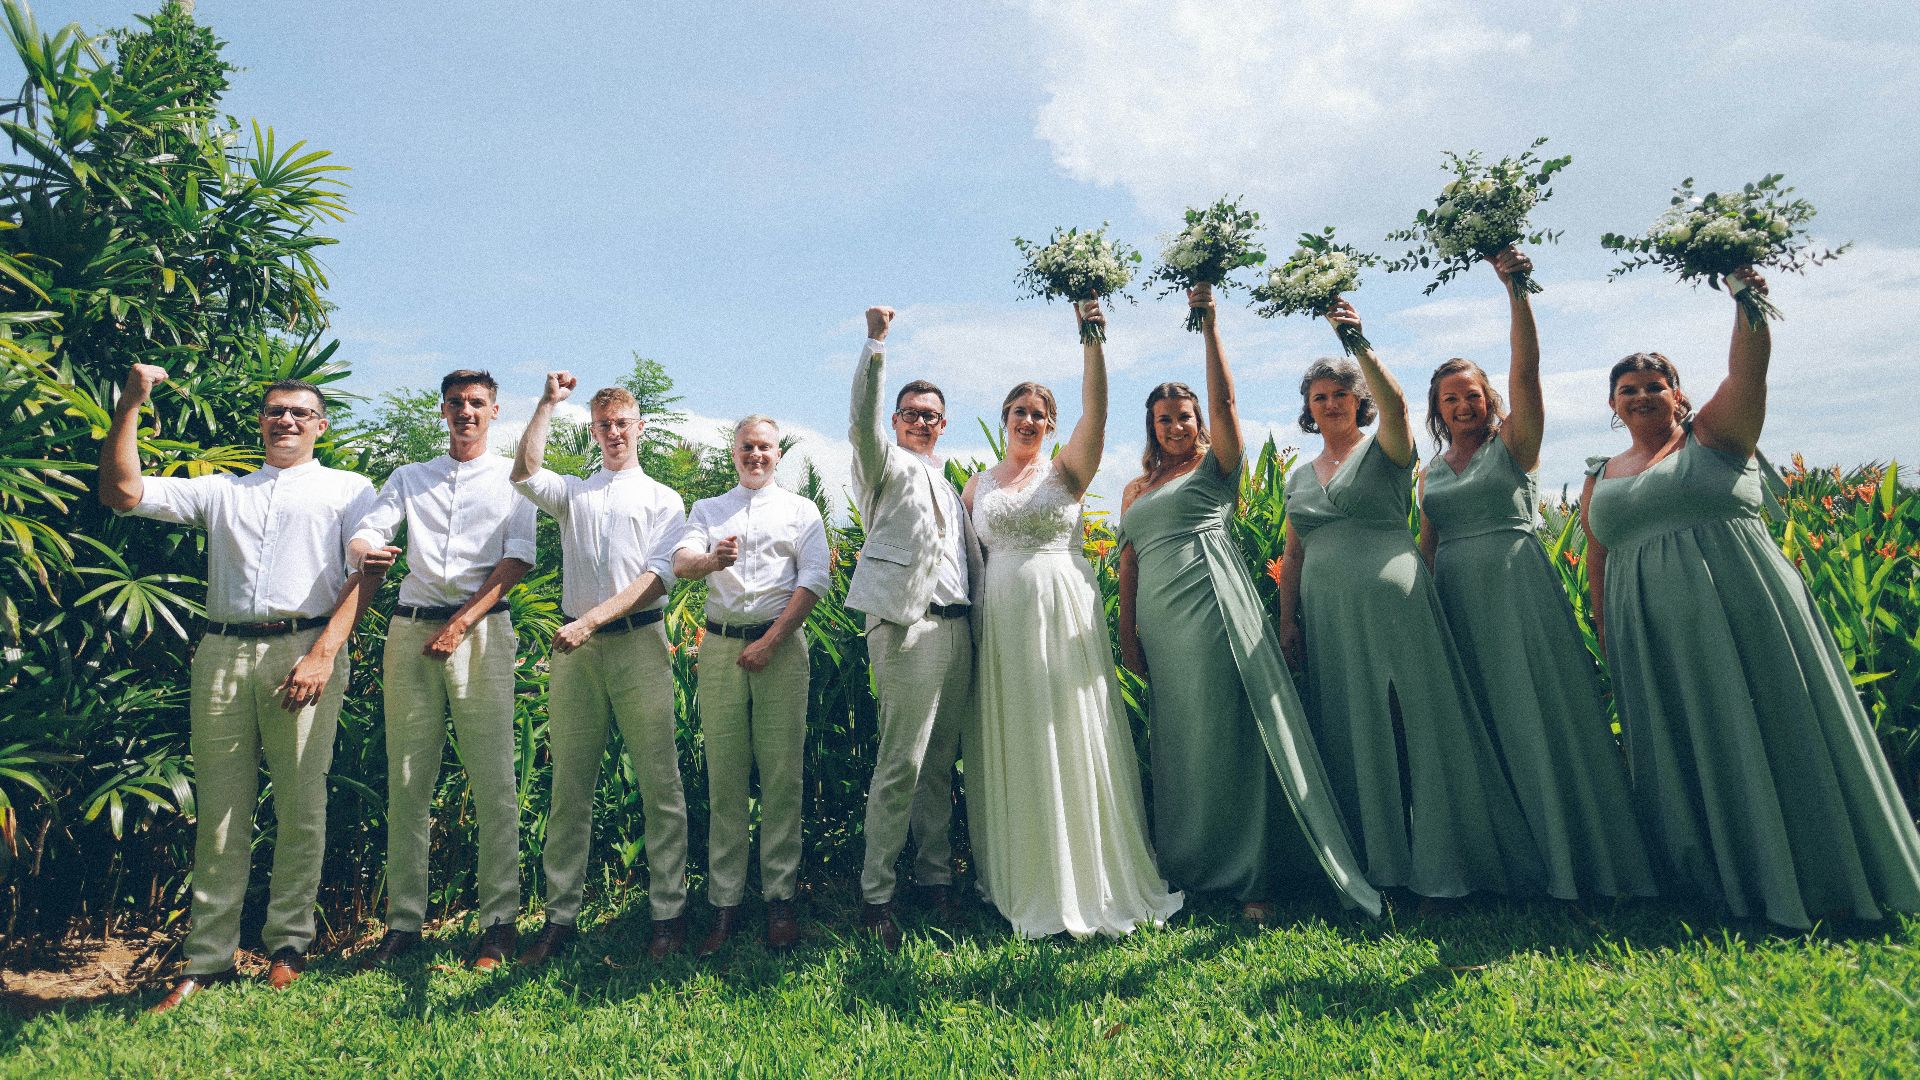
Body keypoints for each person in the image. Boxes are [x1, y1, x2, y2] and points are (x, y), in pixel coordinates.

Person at [1580, 269, 1920, 928]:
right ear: (1613, 405)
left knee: (1772, 734)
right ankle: (1713, 878)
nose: (1643, 393)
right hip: (1650, 639)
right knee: (1692, 750)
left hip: (1744, 614)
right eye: (1629, 389)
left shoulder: (1716, 435)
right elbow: (1598, 559)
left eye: (1656, 385)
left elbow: (1748, 371)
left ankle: (1816, 873)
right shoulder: (1601, 475)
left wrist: (1746, 298)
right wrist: (1608, 635)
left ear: (1678, 396)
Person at [100, 367, 379, 1012]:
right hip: (222, 650)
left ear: (320, 425)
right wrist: (130, 407)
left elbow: (366, 577)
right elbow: (121, 492)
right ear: (262, 421)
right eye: (276, 411)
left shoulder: (350, 491)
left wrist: (322, 653)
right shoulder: (223, 491)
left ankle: (288, 946)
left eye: (300, 413)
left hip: (304, 649)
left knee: (301, 803)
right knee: (221, 811)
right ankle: (209, 958)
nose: (286, 421)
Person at [1117, 284, 1381, 920]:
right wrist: (1127, 636)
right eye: (1164, 418)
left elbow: (1226, 397)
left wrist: (1208, 324)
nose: (1176, 426)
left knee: (1226, 730)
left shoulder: (1217, 466)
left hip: (1211, 604)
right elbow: (1126, 562)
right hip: (1158, 618)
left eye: (1185, 416)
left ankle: (1256, 872)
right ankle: (1192, 865)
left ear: (1200, 423)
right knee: (1180, 737)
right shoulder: (1135, 487)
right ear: (1151, 427)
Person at [1278, 300, 1543, 900]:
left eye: (1340, 394)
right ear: (1308, 408)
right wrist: (1287, 620)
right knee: (1351, 723)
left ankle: (1446, 858)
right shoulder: (1298, 476)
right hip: (1326, 611)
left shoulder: (1389, 451)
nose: (1330, 404)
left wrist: (1356, 339)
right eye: (1319, 397)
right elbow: (1292, 556)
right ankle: (1377, 858)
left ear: (1358, 400)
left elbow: (1398, 406)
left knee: (1413, 719)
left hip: (1393, 596)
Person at [1417, 251, 1656, 902]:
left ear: (1488, 397)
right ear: (1438, 409)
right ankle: (1508, 857)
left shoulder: (1515, 444)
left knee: (1536, 712)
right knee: (1484, 723)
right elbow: (1427, 543)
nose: (1464, 405)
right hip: (1456, 600)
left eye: (1472, 394)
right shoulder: (1430, 473)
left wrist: (1516, 292)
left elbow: (1528, 370)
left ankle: (1574, 856)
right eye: (1451, 398)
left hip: (1516, 589)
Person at [960, 298, 1182, 938]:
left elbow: (1099, 413)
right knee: (1016, 733)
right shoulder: (976, 485)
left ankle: (1084, 878)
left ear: (1053, 425)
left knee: (1065, 729)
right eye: (1019, 411)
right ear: (1004, 419)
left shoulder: (1067, 471)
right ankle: (1018, 873)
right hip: (999, 621)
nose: (1029, 419)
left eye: (1040, 413)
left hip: (1060, 613)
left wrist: (1092, 339)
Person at [350, 369, 537, 971]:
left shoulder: (516, 481)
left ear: (495, 411)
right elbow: (370, 530)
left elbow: (517, 560)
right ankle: (404, 924)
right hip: (409, 629)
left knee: (493, 780)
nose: (466, 412)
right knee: (408, 780)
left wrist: (459, 625)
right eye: (456, 403)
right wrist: (365, 548)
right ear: (443, 412)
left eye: (477, 403)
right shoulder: (410, 478)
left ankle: (499, 923)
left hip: (481, 631)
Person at [511, 373, 692, 963]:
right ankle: (560, 917)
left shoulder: (664, 499)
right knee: (570, 788)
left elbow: (656, 578)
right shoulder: (574, 494)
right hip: (577, 657)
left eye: (623, 424)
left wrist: (590, 621)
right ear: (592, 432)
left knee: (660, 786)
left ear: (640, 429)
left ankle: (667, 916)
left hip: (638, 645)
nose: (614, 434)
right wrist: (546, 404)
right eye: (604, 426)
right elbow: (522, 471)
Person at [845, 305, 982, 951]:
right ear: (896, 422)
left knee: (939, 767)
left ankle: (935, 884)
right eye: (911, 413)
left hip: (957, 632)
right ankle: (876, 897)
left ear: (943, 423)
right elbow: (859, 419)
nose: (921, 422)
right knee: (899, 763)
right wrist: (876, 345)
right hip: (905, 627)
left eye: (931, 414)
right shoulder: (883, 464)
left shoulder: (949, 484)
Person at [673, 416, 830, 954]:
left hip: (780, 647)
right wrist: (710, 559)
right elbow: (682, 561)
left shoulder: (801, 511)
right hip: (719, 648)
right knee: (726, 778)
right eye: (747, 447)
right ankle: (724, 904)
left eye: (765, 447)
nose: (755, 455)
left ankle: (779, 899)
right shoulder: (709, 510)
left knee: (783, 776)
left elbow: (814, 580)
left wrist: (772, 641)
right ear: (733, 451)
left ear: (779, 453)